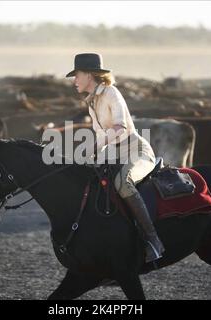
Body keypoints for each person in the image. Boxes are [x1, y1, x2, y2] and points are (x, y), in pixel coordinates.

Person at [66, 53, 165, 262]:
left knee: (123, 183)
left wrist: (93, 147)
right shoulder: (91, 102)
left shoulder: (111, 93)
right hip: (114, 153)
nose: (74, 80)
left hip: (137, 151)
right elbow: (103, 137)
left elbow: (119, 127)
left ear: (89, 75)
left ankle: (153, 240)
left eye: (77, 75)